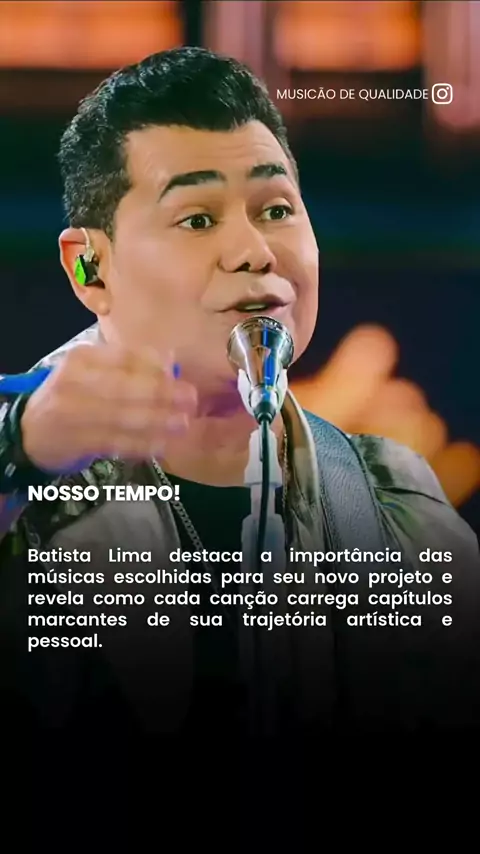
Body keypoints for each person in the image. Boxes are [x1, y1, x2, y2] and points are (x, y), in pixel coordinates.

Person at [0, 46, 479, 739]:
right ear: (90, 267)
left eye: (276, 209)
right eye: (197, 219)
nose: (255, 250)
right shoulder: (25, 463)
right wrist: (22, 446)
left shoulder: (393, 501)